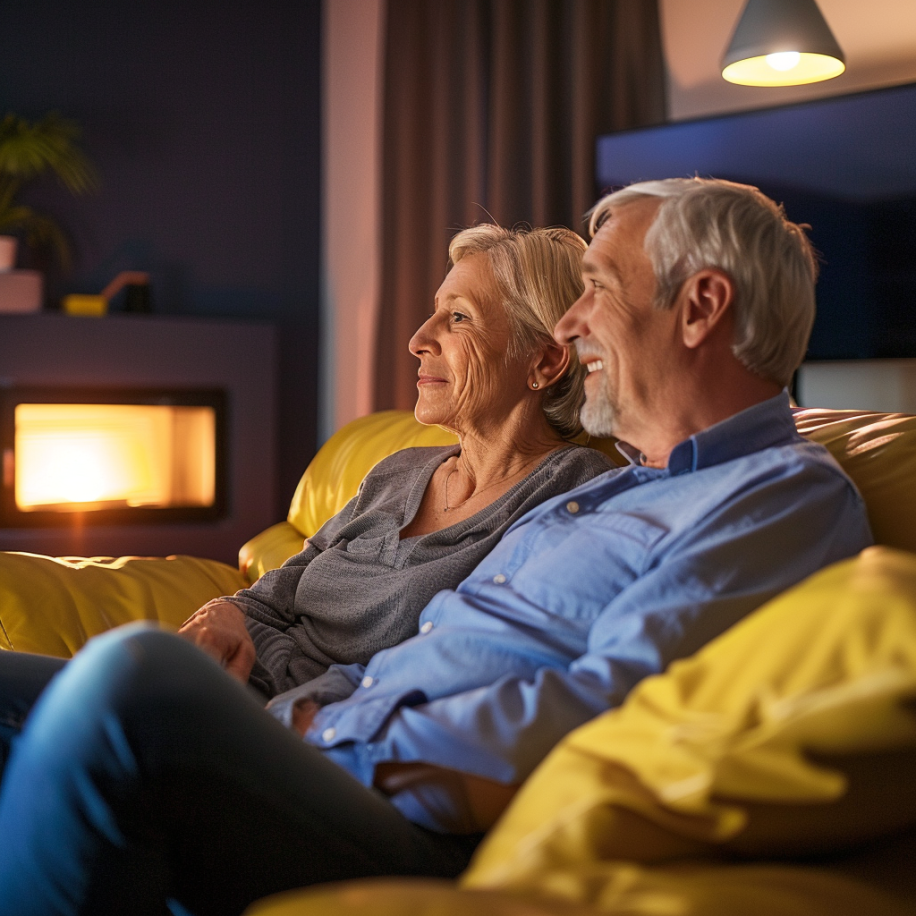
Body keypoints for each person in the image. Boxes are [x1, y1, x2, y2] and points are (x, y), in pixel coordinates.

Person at [0, 178, 874, 916]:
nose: (571, 326)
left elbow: (608, 708)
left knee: (132, 680)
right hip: (331, 739)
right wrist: (296, 707)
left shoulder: (776, 496)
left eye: (598, 287)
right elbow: (427, 644)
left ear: (701, 307)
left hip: (417, 819)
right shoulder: (623, 486)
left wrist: (324, 728)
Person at [175, 224, 612, 697]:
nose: (419, 339)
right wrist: (220, 614)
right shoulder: (396, 473)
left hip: (299, 727)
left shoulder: (574, 495)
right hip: (229, 683)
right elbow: (266, 600)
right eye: (435, 312)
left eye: (460, 317)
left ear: (545, 362)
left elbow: (473, 672)